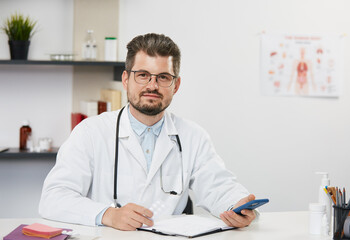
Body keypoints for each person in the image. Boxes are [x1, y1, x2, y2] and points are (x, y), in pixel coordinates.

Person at [39, 33, 257, 231]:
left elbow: (218, 186)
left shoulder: (193, 136)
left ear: (176, 85)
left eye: (163, 77)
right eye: (143, 75)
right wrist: (107, 214)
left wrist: (238, 205)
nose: (152, 85)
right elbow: (53, 198)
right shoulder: (90, 132)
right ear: (126, 79)